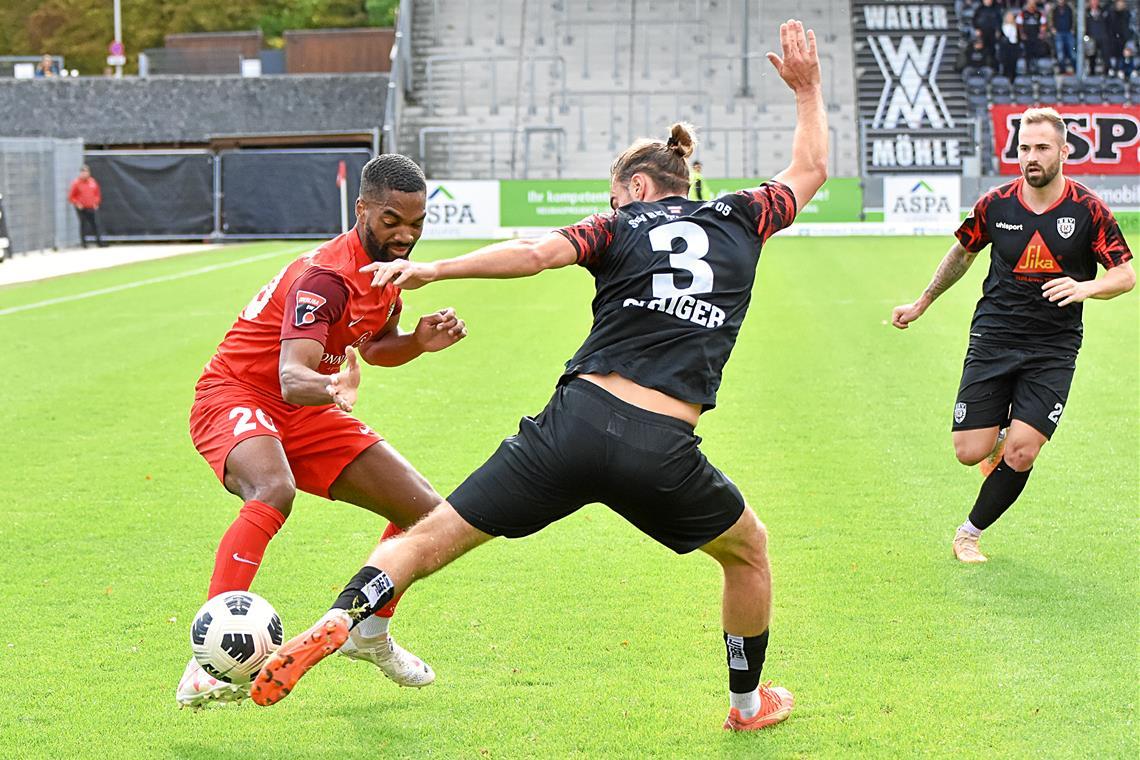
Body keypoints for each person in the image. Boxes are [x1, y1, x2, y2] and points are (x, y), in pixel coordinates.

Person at [249, 20, 828, 732]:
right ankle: (747, 706)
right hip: (661, 449)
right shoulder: (745, 216)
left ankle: (343, 614)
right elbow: (812, 170)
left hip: (572, 425)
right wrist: (807, 91)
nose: (612, 203)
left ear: (637, 187)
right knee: (748, 553)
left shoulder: (618, 226)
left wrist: (436, 267)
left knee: (430, 536)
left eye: (615, 193)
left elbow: (531, 255)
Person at [176, 154, 469, 707]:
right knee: (274, 489)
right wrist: (335, 390)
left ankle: (370, 634)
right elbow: (291, 377)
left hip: (307, 408)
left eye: (417, 222)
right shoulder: (325, 279)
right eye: (391, 221)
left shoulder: (384, 272)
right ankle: (206, 664)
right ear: (361, 209)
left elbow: (377, 348)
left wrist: (418, 342)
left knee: (427, 515)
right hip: (236, 394)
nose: (405, 235)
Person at [891, 107, 1134, 564]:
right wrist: (922, 302)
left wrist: (1087, 287)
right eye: (1024, 148)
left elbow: (1124, 274)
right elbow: (962, 254)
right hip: (994, 338)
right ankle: (1000, 432)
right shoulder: (996, 204)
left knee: (1022, 452)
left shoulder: (1087, 210)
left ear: (1064, 151)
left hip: (1053, 348)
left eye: (1042, 148)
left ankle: (968, 534)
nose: (1031, 157)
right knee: (969, 452)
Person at [67, 165, 105, 248]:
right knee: (83, 224)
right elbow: (71, 197)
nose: (85, 174)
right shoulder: (76, 183)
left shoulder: (93, 181)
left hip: (91, 207)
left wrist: (96, 202)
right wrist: (77, 203)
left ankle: (100, 242)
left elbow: (97, 194)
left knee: (95, 224)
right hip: (81, 208)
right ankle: (83, 243)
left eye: (86, 172)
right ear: (80, 173)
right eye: (83, 172)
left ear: (89, 173)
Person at [1085, 0, 1113, 75]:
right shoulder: (1086, 12)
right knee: (1092, 56)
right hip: (1091, 37)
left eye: (1095, 1)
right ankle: (1092, 72)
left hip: (1103, 36)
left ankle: (1107, 71)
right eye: (1092, 1)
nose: (1094, 3)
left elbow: (1109, 24)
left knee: (1105, 55)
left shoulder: (1103, 11)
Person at [1049, 0, 1076, 73]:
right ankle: (1062, 69)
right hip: (1058, 33)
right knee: (1060, 53)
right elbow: (1050, 19)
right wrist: (1052, 29)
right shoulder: (1054, 9)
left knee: (1073, 51)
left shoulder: (1070, 8)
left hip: (1069, 33)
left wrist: (1073, 29)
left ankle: (1076, 68)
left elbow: (1074, 18)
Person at [998, 11, 1022, 80]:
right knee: (1005, 66)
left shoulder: (1016, 27)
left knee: (1013, 66)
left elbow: (1018, 38)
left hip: (1014, 48)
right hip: (1005, 49)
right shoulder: (1002, 27)